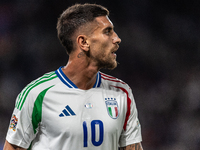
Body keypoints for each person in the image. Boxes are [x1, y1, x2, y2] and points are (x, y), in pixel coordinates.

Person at [3, 3, 143, 150]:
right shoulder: (37, 94)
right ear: (83, 42)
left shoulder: (122, 92)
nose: (117, 39)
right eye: (107, 32)